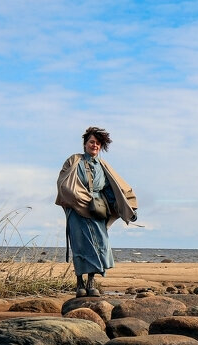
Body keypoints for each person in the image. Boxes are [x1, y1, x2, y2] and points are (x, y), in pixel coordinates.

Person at [55, 126, 139, 297]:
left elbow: (112, 189)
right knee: (79, 245)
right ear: (85, 144)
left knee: (98, 244)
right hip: (76, 209)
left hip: (97, 210)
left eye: (98, 144)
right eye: (92, 142)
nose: (95, 145)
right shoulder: (74, 161)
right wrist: (82, 199)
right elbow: (63, 183)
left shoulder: (103, 165)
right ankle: (79, 284)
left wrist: (127, 210)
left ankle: (91, 281)